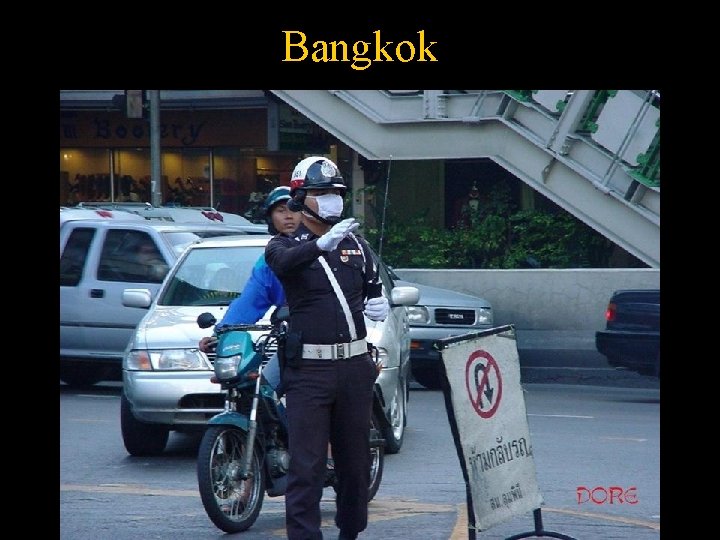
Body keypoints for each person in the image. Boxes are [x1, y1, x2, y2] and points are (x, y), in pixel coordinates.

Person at [264, 156, 390, 540]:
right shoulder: (284, 244)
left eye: (335, 192)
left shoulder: (356, 245)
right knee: (307, 466)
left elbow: (373, 288)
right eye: (320, 192)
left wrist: (380, 300)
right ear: (300, 197)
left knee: (355, 464)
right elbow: (284, 263)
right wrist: (320, 245)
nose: (331, 199)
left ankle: (351, 532)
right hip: (309, 371)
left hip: (354, 367)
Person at [198, 185, 301, 390]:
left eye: (293, 209)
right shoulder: (267, 263)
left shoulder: (325, 248)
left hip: (330, 346)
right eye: (281, 210)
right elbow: (249, 302)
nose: (288, 216)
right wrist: (220, 334)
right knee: (263, 389)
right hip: (293, 344)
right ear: (270, 218)